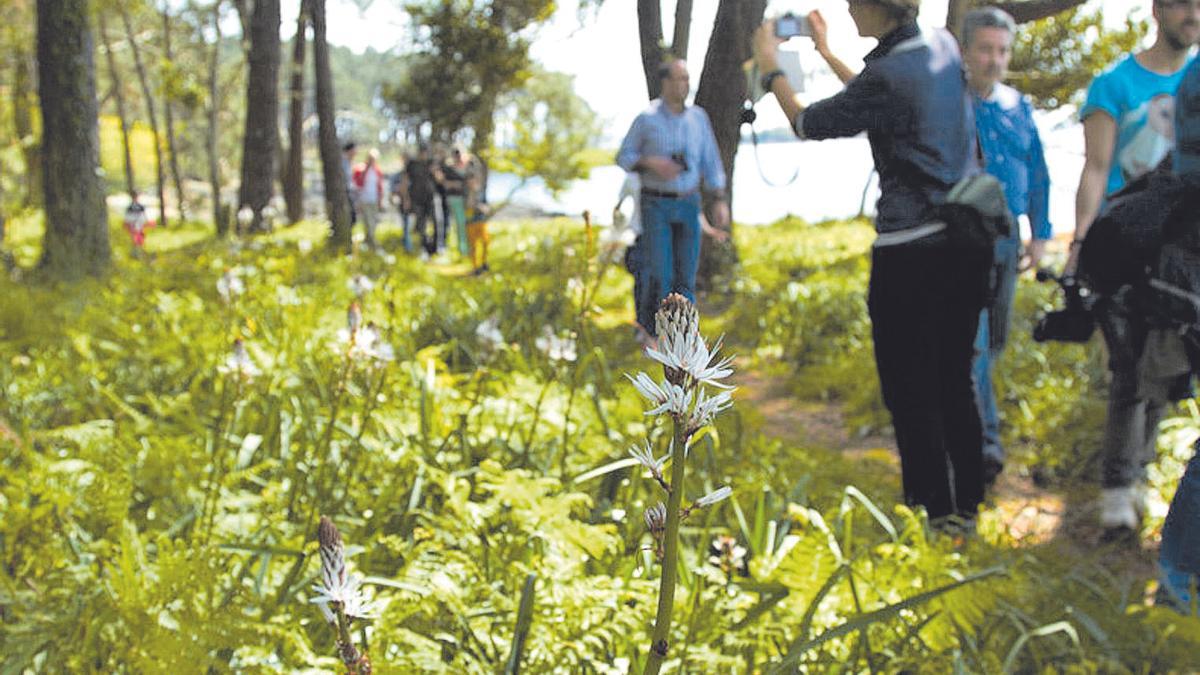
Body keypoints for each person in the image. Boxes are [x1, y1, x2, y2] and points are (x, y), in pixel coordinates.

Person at [754, 0, 988, 524]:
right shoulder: (940, 46)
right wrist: (827, 51)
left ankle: (932, 514)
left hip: (911, 253)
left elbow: (810, 121)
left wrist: (771, 69)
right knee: (954, 378)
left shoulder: (887, 74)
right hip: (965, 241)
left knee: (909, 387)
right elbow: (875, 95)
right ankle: (968, 507)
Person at [1065, 0, 1200, 533]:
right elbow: (1097, 168)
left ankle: (1140, 476)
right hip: (1127, 246)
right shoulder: (1113, 85)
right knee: (1127, 369)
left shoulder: (1197, 76)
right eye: (1183, 6)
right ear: (1158, 11)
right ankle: (1118, 494)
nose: (1193, 15)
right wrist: (1080, 240)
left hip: (1185, 251)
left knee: (1167, 368)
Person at [960, 7, 1053, 484]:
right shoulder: (952, 103)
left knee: (994, 343)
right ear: (966, 51)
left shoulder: (1018, 106)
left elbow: (1038, 173)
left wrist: (1040, 235)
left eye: (1002, 51)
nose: (995, 60)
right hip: (963, 239)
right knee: (974, 347)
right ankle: (985, 449)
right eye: (985, 50)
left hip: (1008, 237)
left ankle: (971, 430)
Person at [616, 59, 730, 339]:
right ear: (665, 83)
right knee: (660, 274)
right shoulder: (646, 118)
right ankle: (655, 334)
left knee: (686, 276)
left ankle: (684, 337)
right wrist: (651, 163)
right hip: (656, 203)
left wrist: (718, 198)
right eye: (678, 79)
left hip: (689, 202)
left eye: (687, 79)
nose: (684, 85)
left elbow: (711, 161)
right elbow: (623, 157)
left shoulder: (698, 118)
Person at [405, 144, 440, 259]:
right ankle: (424, 248)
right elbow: (405, 181)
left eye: (426, 152)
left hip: (430, 198)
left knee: (435, 222)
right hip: (417, 199)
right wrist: (406, 199)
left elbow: (440, 179)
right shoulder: (412, 164)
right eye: (422, 152)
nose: (424, 155)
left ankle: (434, 248)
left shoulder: (432, 163)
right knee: (421, 224)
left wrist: (435, 171)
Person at [439, 146, 475, 258]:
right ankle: (462, 250)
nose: (458, 157)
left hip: (465, 199)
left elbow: (472, 183)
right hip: (453, 198)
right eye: (456, 155)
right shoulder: (448, 168)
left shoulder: (469, 166)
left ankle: (467, 248)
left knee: (467, 223)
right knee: (459, 224)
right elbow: (441, 180)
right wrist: (451, 184)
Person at [353, 149, 386, 251]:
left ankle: (368, 242)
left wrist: (380, 200)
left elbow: (380, 187)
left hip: (374, 199)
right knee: (368, 222)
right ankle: (373, 244)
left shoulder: (377, 171)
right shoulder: (360, 169)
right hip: (365, 199)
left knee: (374, 222)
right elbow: (357, 184)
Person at [123, 191, 155, 256]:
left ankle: (142, 252)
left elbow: (144, 216)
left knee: (141, 238)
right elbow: (127, 218)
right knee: (134, 239)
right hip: (132, 226)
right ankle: (135, 253)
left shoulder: (141, 207)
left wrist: (145, 222)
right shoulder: (129, 207)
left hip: (140, 225)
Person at [342, 142, 358, 226]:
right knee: (351, 217)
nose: (356, 152)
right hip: (345, 193)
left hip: (350, 192)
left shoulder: (349, 163)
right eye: (355, 150)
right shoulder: (343, 162)